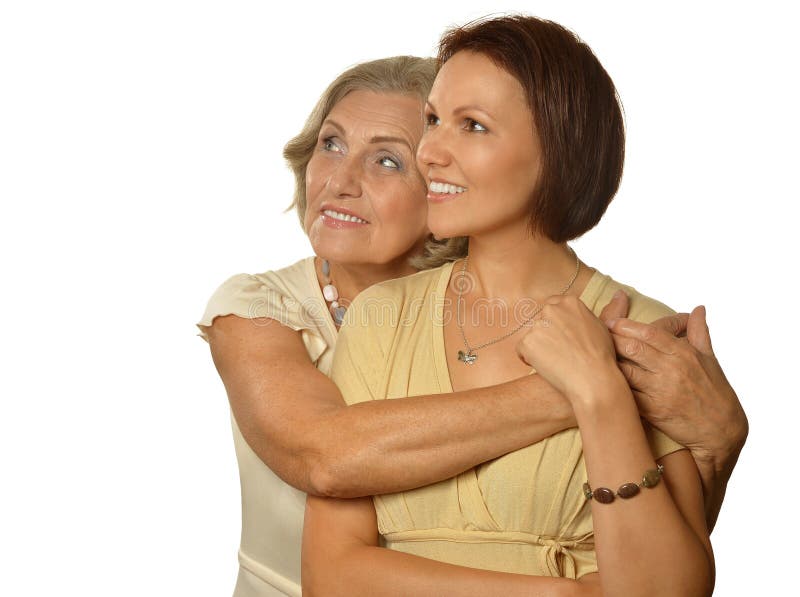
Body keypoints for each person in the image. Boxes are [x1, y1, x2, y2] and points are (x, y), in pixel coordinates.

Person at [198, 49, 747, 597]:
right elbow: (326, 459)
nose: (339, 181)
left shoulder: (618, 319)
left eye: (389, 160)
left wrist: (718, 444)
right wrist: (588, 386)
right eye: (331, 144)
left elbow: (658, 566)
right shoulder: (261, 307)